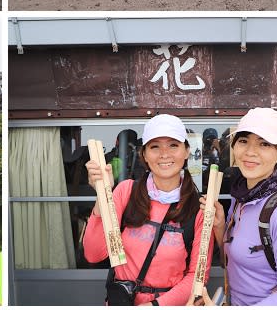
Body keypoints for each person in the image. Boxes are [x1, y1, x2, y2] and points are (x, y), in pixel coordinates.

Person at [83, 114, 212, 305]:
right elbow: (94, 254)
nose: (164, 154)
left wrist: (155, 306)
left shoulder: (199, 207)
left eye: (173, 145)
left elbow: (197, 276)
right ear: (144, 154)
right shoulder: (126, 191)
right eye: (155, 146)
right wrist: (104, 195)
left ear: (186, 151)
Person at [202, 108, 277, 306]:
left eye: (264, 143)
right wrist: (219, 227)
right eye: (243, 141)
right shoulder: (240, 198)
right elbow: (233, 263)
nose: (250, 152)